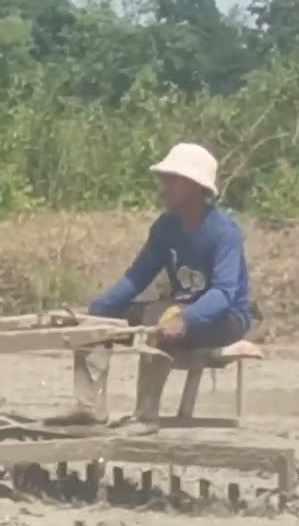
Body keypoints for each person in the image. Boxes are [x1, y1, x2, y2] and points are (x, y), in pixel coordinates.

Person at [53, 142, 255, 434]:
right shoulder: (166, 228)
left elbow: (223, 293)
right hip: (176, 309)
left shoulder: (224, 232)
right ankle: (89, 408)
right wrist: (96, 310)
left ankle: (146, 415)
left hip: (225, 319)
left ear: (196, 186)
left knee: (159, 313)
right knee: (97, 324)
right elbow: (137, 278)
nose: (165, 186)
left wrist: (185, 320)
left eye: (173, 180)